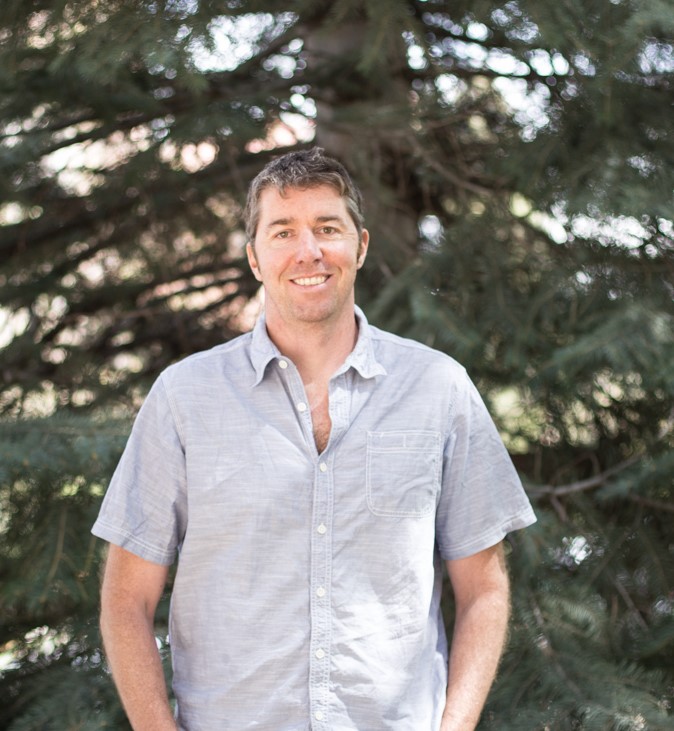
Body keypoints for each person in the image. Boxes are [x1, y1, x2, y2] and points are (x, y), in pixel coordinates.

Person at [93, 147, 536, 731]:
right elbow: (126, 601)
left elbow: (484, 590)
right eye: (283, 232)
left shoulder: (438, 389)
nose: (309, 251)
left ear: (361, 246)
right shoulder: (184, 398)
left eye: (328, 228)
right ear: (255, 257)